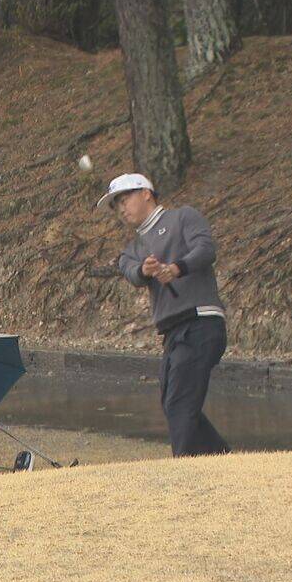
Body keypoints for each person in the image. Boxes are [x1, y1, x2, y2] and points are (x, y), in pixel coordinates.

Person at [100, 173, 231, 457]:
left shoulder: (183, 217)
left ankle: (183, 470)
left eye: (125, 199)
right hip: (172, 334)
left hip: (201, 321)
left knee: (179, 403)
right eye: (116, 205)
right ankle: (222, 459)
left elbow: (206, 249)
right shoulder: (132, 250)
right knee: (174, 402)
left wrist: (176, 268)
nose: (121, 209)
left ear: (146, 193)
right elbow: (130, 271)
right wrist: (144, 270)